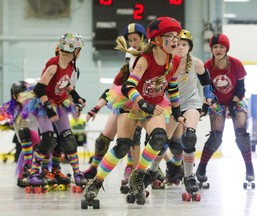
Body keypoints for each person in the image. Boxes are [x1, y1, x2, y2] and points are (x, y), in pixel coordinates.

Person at [82, 16, 185, 206]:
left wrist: (177, 112)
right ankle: (95, 182)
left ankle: (137, 175)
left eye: (176, 36)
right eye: (170, 36)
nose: (176, 40)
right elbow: (128, 87)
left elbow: (172, 87)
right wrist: (144, 105)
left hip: (154, 104)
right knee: (122, 146)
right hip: (132, 103)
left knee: (159, 138)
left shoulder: (175, 61)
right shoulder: (144, 59)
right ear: (157, 39)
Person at [144, 29, 216, 195]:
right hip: (170, 104)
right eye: (178, 45)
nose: (181, 48)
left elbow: (206, 83)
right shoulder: (166, 63)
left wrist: (208, 100)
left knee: (189, 137)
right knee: (162, 142)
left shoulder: (196, 63)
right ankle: (153, 171)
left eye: (185, 45)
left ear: (189, 47)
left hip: (191, 102)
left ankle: (189, 176)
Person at [83, 23, 147, 186]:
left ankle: (134, 169)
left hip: (142, 103)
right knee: (103, 140)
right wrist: (95, 108)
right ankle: (93, 168)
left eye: (135, 39)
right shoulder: (124, 71)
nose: (132, 43)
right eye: (130, 40)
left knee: (137, 138)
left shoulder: (148, 59)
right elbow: (110, 92)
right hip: (123, 104)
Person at [21, 33, 87, 188]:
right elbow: (39, 88)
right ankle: (33, 173)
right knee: (49, 138)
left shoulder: (70, 65)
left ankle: (77, 173)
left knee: (68, 138)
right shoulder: (53, 65)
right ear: (74, 50)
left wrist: (76, 96)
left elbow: (65, 83)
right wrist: (49, 110)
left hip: (60, 102)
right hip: (44, 104)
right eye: (79, 50)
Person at [196, 33, 255, 186]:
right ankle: (201, 169)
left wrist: (233, 106)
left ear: (226, 49)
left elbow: (241, 89)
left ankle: (249, 169)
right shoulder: (207, 66)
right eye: (215, 47)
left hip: (237, 100)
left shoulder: (236, 64)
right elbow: (207, 90)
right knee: (216, 137)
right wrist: (211, 104)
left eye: (222, 47)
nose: (218, 50)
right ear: (211, 49)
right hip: (217, 102)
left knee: (241, 135)